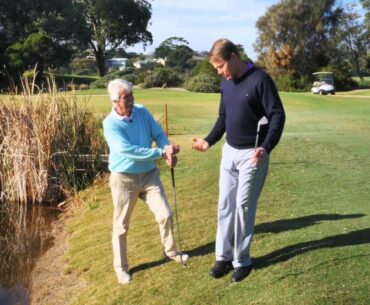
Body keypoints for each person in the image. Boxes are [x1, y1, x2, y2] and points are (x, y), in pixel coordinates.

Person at [192, 38, 285, 283]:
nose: (219, 72)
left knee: (243, 207)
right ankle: (222, 257)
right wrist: (207, 141)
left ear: (234, 57)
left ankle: (242, 261)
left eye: (220, 66)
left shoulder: (260, 80)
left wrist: (266, 147)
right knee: (224, 205)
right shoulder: (227, 82)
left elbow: (277, 115)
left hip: (253, 155)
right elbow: (223, 117)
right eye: (216, 69)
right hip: (229, 152)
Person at [103, 79, 188, 285]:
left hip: (149, 175)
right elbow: (128, 151)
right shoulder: (110, 123)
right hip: (124, 178)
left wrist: (166, 148)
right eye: (126, 97)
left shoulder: (141, 111)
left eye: (131, 95)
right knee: (121, 226)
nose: (131, 100)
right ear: (115, 101)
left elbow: (158, 133)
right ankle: (121, 269)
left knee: (165, 214)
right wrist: (161, 152)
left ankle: (171, 251)